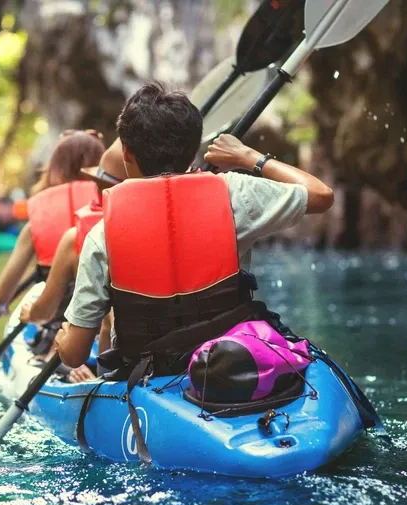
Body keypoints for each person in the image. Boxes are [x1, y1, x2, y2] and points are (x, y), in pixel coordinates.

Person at [55, 81, 334, 378]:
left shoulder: (102, 235)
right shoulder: (234, 194)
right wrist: (248, 157)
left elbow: (74, 354)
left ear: (126, 154)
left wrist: (62, 340)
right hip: (232, 365)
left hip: (150, 376)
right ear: (192, 149)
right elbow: (321, 195)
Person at [19, 139, 126, 381]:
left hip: (86, 346)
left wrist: (30, 316)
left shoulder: (78, 237)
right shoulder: (168, 227)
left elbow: (45, 311)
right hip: (135, 354)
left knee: (59, 346)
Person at [0, 130, 105, 315]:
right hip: (106, 320)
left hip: (54, 320)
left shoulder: (36, 225)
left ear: (56, 169)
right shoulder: (114, 207)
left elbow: (1, 295)